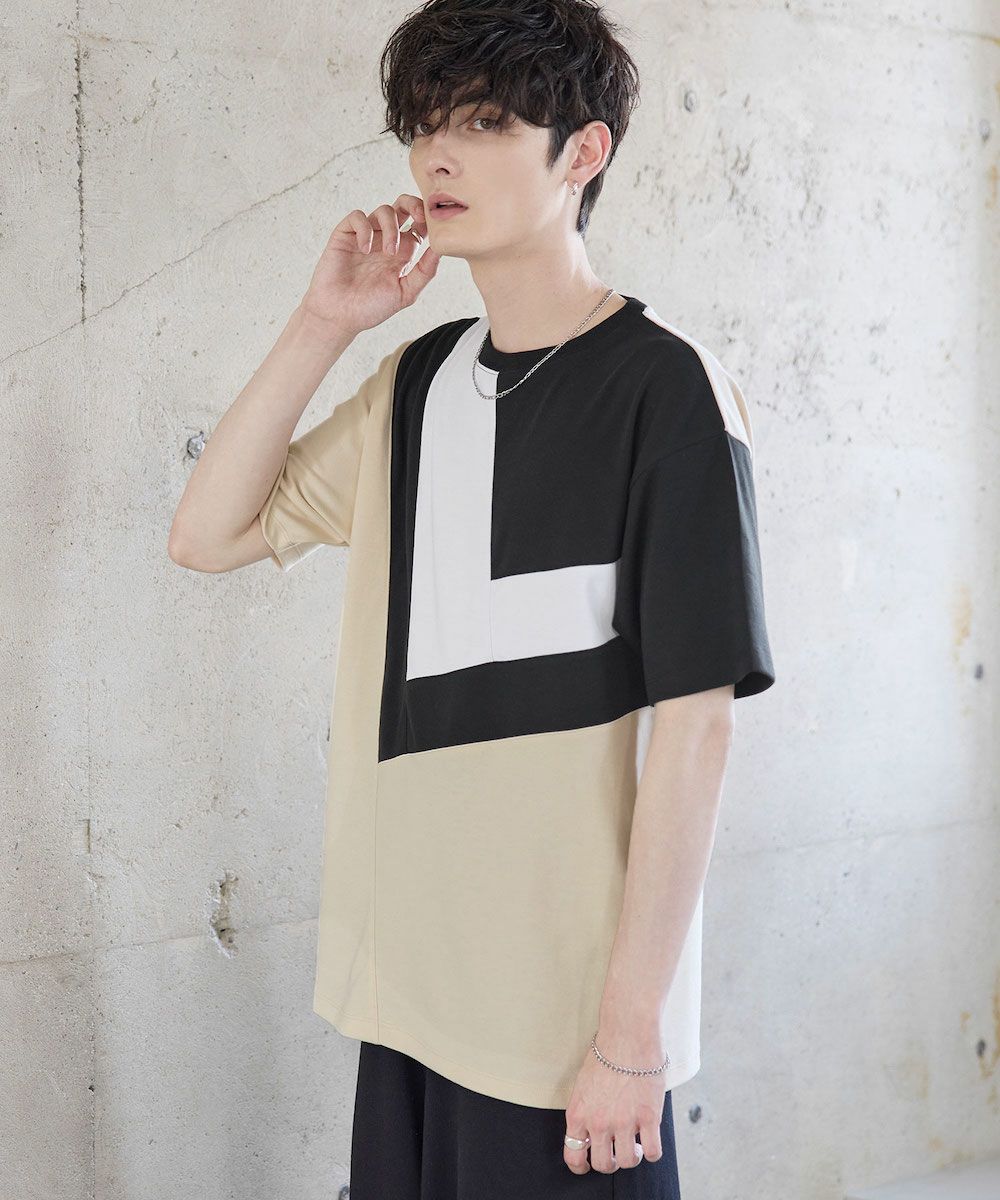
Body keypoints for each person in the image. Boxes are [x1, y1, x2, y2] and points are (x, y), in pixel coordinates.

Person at [168, 0, 776, 1195]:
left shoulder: (667, 392)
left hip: (564, 1034)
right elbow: (207, 533)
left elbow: (698, 729)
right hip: (406, 1000)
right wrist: (325, 322)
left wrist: (630, 1037)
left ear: (582, 151)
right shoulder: (419, 381)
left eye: (486, 122)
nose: (437, 156)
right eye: (425, 125)